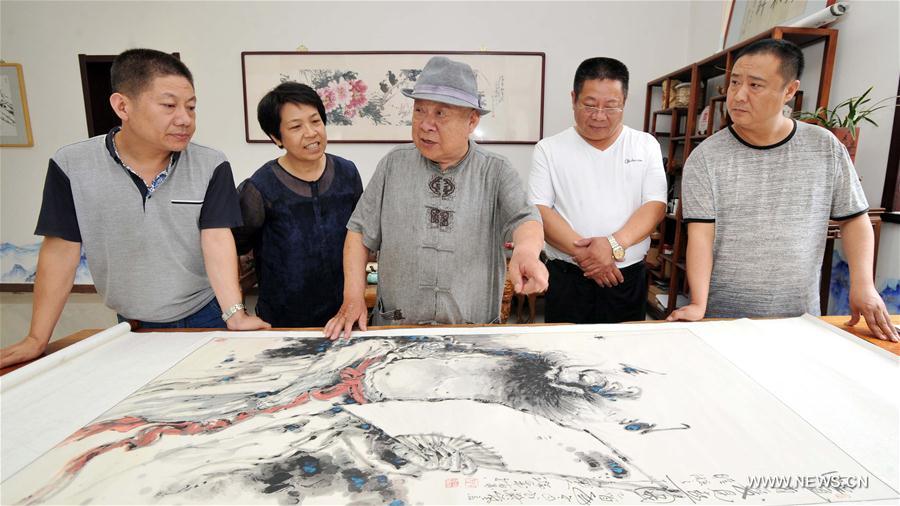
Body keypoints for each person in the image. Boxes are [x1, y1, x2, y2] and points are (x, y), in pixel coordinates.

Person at [0, 48, 269, 368]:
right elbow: (61, 252)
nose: (185, 119)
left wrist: (234, 314)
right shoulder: (71, 165)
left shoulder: (211, 164)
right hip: (132, 324)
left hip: (206, 313)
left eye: (191, 107)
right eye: (169, 105)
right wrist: (36, 338)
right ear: (122, 106)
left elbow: (216, 239)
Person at [667, 38, 898, 342]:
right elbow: (701, 235)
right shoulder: (706, 157)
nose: (738, 95)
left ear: (789, 91)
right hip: (725, 318)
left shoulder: (824, 147)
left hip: (801, 319)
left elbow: (854, 219)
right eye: (735, 82)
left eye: (755, 85)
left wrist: (863, 284)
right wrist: (698, 303)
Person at [324, 56, 548, 339]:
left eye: (441, 113)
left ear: (472, 120)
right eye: (419, 110)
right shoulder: (394, 164)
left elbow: (525, 219)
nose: (425, 124)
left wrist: (526, 252)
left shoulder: (496, 170)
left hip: (471, 335)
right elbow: (359, 232)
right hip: (397, 331)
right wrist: (353, 296)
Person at [528, 57, 666, 323]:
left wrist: (612, 245)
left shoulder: (645, 145)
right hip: (568, 277)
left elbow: (655, 206)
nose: (599, 116)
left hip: (624, 277)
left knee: (624, 348)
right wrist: (589, 258)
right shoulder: (549, 149)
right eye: (590, 105)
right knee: (563, 348)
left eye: (611, 106)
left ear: (624, 101)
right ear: (573, 99)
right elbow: (540, 210)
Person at [233, 82, 363, 327]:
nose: (311, 133)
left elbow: (360, 234)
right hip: (282, 320)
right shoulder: (260, 187)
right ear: (276, 137)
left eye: (315, 121)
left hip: (343, 315)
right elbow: (235, 245)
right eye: (296, 126)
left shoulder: (347, 173)